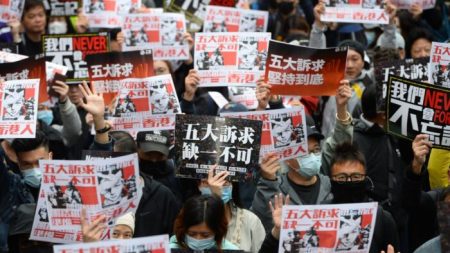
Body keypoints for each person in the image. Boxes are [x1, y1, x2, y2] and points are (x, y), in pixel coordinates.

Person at [78, 81, 181, 236]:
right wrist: (99, 120)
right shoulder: (90, 198)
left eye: (117, 164)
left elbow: (174, 238)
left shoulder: (161, 196)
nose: (109, 171)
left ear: (135, 160)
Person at [252, 82, 353, 231]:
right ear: (286, 155)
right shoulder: (274, 187)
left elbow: (341, 141)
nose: (312, 157)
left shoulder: (331, 183)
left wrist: (342, 108)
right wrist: (261, 109)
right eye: (303, 152)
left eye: (316, 150)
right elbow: (262, 223)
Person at [199, 168, 265, 252]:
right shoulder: (189, 218)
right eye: (206, 182)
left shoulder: (250, 220)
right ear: (198, 186)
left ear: (232, 185)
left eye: (224, 181)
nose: (216, 186)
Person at [170, 195, 239, 250]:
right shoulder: (168, 249)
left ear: (217, 231)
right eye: (192, 234)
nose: (198, 239)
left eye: (205, 235)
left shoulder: (230, 250)